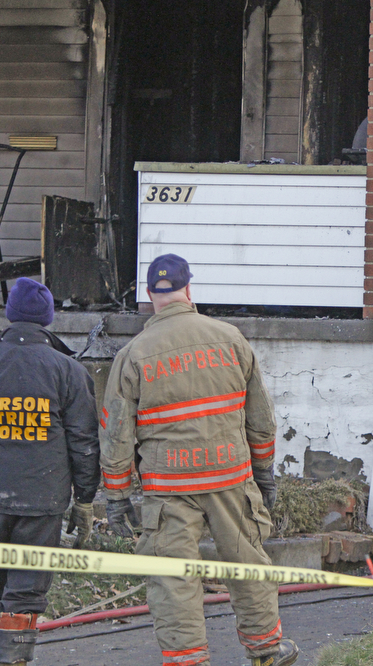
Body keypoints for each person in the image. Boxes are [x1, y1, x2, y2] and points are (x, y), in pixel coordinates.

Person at [98, 253, 297, 666]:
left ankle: (188, 659)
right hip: (230, 475)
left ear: (151, 295)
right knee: (246, 561)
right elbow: (260, 420)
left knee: (174, 579)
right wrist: (264, 473)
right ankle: (265, 651)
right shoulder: (231, 339)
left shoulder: (132, 355)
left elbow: (116, 434)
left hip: (169, 487)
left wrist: (116, 496)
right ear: (189, 290)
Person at [0, 277, 100, 666]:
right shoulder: (68, 372)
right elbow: (84, 443)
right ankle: (7, 661)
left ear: (10, 316)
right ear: (47, 320)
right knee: (25, 592)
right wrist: (85, 501)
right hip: (42, 500)